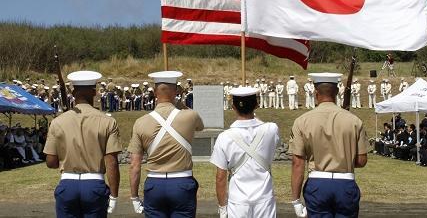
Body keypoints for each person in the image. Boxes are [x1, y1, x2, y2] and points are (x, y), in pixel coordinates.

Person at [289, 72, 369, 218]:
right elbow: (361, 160)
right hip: (345, 183)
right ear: (337, 91)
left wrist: (295, 200)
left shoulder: (302, 121)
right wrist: (343, 157)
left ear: (315, 91)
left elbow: (297, 163)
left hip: (317, 184)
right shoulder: (354, 121)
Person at [43, 70, 121, 217]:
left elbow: (51, 162)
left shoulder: (57, 122)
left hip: (67, 184)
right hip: (94, 185)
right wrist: (114, 196)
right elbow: (112, 162)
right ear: (94, 92)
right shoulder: (108, 121)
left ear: (73, 92)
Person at [128, 71, 204, 217]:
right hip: (182, 182)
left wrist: (134, 196)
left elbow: (135, 165)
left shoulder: (140, 122)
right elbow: (200, 127)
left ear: (155, 92)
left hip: (155, 183)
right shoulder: (190, 116)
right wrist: (180, 104)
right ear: (176, 91)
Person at [210, 87, 279, 218]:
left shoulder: (224, 137)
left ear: (233, 107)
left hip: (238, 200)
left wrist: (222, 207)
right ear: (257, 105)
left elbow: (220, 177)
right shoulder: (271, 129)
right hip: (264, 197)